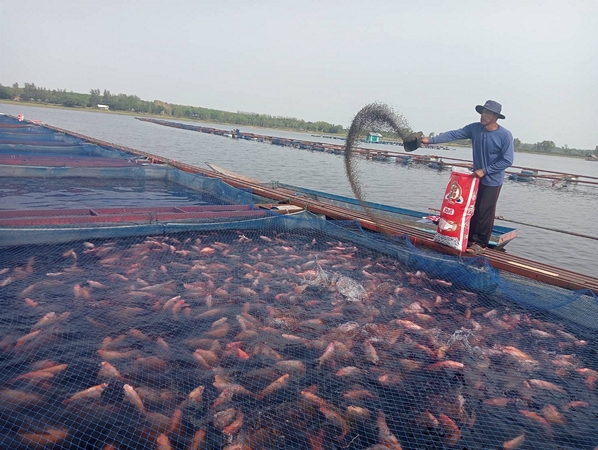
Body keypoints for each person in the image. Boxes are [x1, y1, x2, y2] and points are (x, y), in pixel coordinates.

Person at [421, 100, 514, 254]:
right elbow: (453, 134)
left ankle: (481, 244)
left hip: (492, 180)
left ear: (495, 117)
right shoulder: (475, 129)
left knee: (485, 211)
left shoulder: (504, 135)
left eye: (487, 113)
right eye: (482, 112)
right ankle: (470, 240)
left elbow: (508, 160)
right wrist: (430, 141)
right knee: (472, 209)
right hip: (475, 179)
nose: (483, 115)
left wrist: (485, 170)